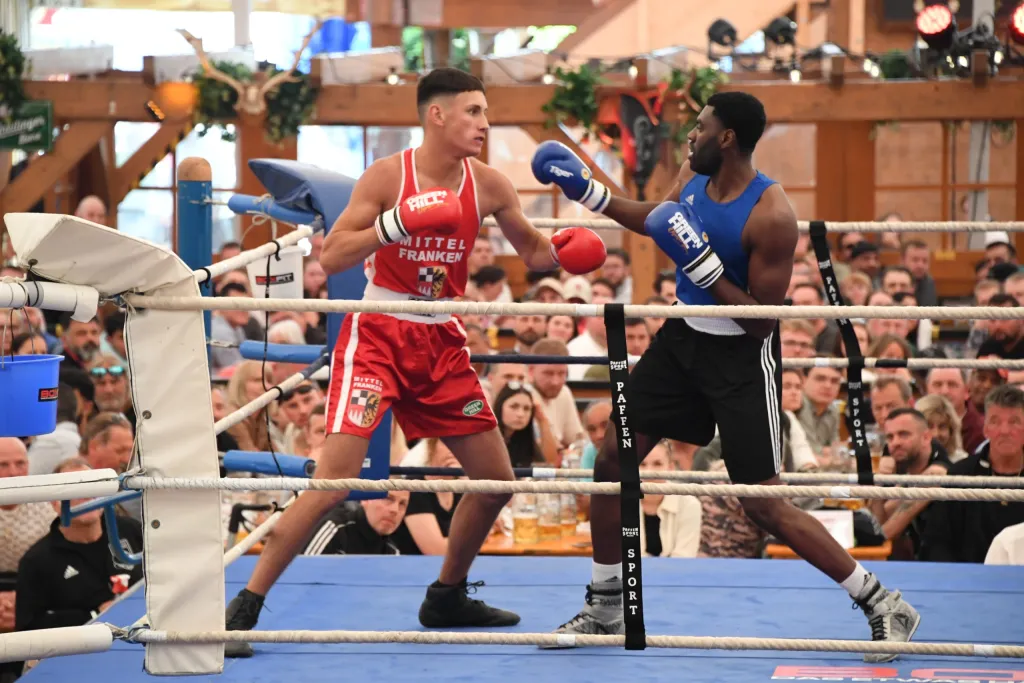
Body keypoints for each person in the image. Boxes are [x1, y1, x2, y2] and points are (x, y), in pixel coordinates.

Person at [223, 67, 607, 656]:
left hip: (439, 338)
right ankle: (243, 607)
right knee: (333, 483)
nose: (485, 123)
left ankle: (447, 594)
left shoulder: (490, 185)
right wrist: (394, 223)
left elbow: (532, 252)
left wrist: (569, 248)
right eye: (474, 112)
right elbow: (334, 251)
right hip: (378, 333)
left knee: (496, 482)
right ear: (438, 115)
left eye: (485, 112)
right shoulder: (387, 176)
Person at [532, 90, 919, 660]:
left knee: (761, 502)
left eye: (700, 126)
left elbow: (761, 324)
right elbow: (660, 219)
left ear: (728, 138)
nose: (690, 135)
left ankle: (882, 602)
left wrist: (702, 264)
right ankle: (607, 603)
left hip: (741, 357)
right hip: (682, 339)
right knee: (614, 456)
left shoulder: (772, 215)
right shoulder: (693, 171)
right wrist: (592, 194)